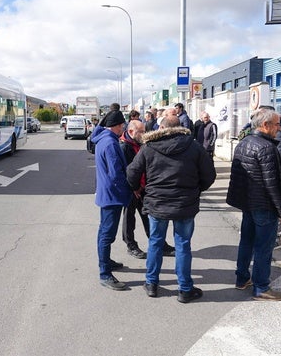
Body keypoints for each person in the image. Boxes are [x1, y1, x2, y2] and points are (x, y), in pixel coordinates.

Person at [126, 116, 216, 303]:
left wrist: (137, 188)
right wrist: (196, 189)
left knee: (155, 242)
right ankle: (184, 289)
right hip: (184, 204)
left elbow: (132, 172)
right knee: (183, 244)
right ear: (180, 127)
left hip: (157, 203)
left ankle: (151, 284)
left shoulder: (149, 146)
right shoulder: (193, 146)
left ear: (161, 127)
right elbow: (209, 175)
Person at [226, 108, 281, 301]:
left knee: (246, 241)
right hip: (263, 205)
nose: (280, 128)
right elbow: (273, 184)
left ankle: (242, 278)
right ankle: (261, 286)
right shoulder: (267, 148)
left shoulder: (244, 142)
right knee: (263, 247)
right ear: (265, 125)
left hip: (248, 203)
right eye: (277, 124)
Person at [120, 120, 175, 259]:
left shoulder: (141, 143)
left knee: (149, 217)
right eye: (142, 131)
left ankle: (159, 243)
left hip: (144, 187)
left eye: (145, 130)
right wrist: (134, 188)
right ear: (131, 131)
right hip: (131, 189)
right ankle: (131, 245)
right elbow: (126, 171)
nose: (144, 134)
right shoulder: (124, 146)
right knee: (129, 218)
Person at [91, 110, 133, 291]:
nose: (123, 127)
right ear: (116, 126)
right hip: (113, 196)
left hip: (107, 194)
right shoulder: (110, 143)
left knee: (105, 232)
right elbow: (117, 174)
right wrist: (130, 191)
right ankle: (105, 273)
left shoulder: (103, 139)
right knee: (107, 234)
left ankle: (106, 261)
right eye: (122, 125)